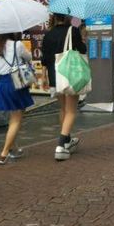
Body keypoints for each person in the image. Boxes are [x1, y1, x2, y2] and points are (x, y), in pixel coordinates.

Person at [41, 14, 87, 161]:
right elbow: (82, 49)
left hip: (55, 77)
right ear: (67, 17)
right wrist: (83, 40)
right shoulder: (72, 31)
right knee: (72, 111)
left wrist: (44, 76)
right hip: (69, 75)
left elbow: (45, 58)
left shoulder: (48, 34)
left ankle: (67, 140)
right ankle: (61, 145)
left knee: (63, 109)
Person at [0, 32, 34, 164]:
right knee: (16, 119)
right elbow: (29, 57)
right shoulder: (17, 45)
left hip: (2, 83)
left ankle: (13, 148)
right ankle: (4, 152)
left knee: (14, 116)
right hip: (16, 82)